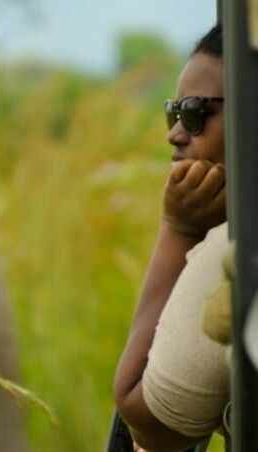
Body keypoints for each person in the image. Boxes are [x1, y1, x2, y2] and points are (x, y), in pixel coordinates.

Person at [113, 24, 230, 452]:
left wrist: (178, 230)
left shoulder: (234, 249)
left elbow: (146, 422)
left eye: (196, 112)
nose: (175, 133)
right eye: (174, 112)